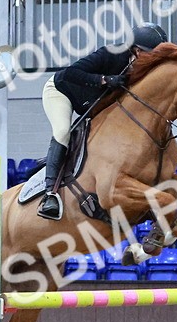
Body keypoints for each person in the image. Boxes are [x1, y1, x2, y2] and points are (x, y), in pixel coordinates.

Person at [37, 22, 169, 219]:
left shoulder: (146, 69)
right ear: (136, 49)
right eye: (151, 53)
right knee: (63, 131)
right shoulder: (111, 54)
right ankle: (50, 194)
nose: (154, 59)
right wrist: (104, 80)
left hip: (95, 104)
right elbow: (72, 72)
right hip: (62, 91)